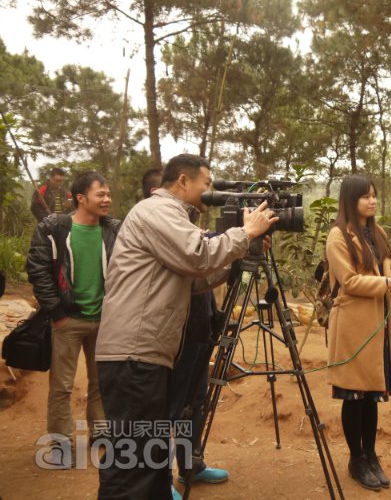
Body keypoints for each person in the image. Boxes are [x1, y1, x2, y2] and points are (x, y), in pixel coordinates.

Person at [94, 154, 278, 500]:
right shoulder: (157, 211)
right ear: (183, 181)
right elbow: (197, 255)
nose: (209, 191)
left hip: (145, 353)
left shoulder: (172, 217)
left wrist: (241, 253)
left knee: (146, 459)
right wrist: (245, 232)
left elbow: (196, 278)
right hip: (134, 353)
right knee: (131, 463)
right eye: (206, 183)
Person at [325, 174, 391, 491]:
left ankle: (371, 455)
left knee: (371, 398)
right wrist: (390, 283)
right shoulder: (338, 236)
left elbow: (389, 272)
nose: (372, 200)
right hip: (354, 328)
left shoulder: (377, 233)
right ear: (350, 200)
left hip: (380, 327)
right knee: (354, 395)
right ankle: (356, 459)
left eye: (374, 195)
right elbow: (349, 281)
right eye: (365, 196)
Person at [141, 168, 230, 496]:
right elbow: (193, 272)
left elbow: (206, 275)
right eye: (203, 185)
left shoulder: (190, 229)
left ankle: (192, 464)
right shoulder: (161, 227)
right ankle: (160, 479)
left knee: (197, 401)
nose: (205, 193)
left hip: (200, 329)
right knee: (170, 406)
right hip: (174, 334)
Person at [25, 171, 120, 468]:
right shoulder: (54, 229)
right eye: (99, 195)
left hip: (105, 321)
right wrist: (57, 313)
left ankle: (101, 434)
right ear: (81, 198)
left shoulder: (114, 230)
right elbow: (38, 270)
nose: (106, 200)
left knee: (101, 382)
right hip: (68, 320)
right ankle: (61, 442)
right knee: (62, 386)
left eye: (107, 194)